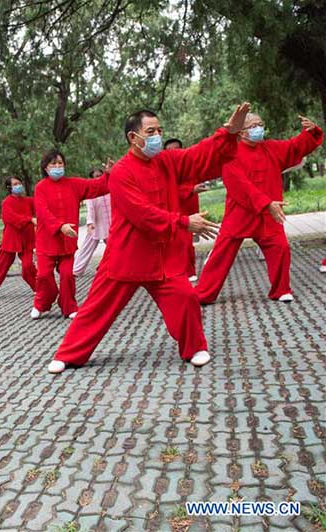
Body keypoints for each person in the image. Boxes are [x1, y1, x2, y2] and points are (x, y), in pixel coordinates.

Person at [47, 103, 251, 374]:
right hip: (126, 256)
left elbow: (198, 156)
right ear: (134, 137)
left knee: (186, 298)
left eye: (159, 130)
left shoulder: (167, 161)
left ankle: (194, 347)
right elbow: (142, 214)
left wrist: (228, 132)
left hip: (162, 257)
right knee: (96, 309)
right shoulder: (120, 172)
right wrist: (184, 222)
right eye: (150, 131)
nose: (157, 135)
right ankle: (69, 353)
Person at [195, 113, 323, 304]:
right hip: (240, 214)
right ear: (242, 133)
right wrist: (266, 203)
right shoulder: (230, 153)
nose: (259, 128)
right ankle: (203, 294)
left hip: (268, 214)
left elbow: (293, 147)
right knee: (220, 255)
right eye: (253, 125)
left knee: (280, 248)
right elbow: (240, 185)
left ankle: (280, 290)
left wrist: (310, 133)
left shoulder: (270, 148)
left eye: (260, 124)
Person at [30, 151, 110, 319]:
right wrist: (60, 226)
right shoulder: (40, 188)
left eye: (60, 164)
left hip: (68, 240)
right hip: (47, 240)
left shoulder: (73, 184)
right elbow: (42, 212)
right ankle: (42, 302)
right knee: (44, 275)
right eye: (54, 164)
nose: (58, 167)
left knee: (67, 275)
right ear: (46, 168)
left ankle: (69, 306)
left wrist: (109, 174)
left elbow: (96, 186)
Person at [0, 177, 37, 301]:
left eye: (19, 183)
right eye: (15, 184)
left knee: (27, 267)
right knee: (1, 267)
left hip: (27, 238)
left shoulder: (29, 201)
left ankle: (39, 288)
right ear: (9, 188)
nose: (18, 186)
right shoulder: (6, 202)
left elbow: (42, 208)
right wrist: (29, 219)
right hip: (11, 239)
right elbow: (11, 218)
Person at [164, 138, 210, 282]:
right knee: (180, 243)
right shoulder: (164, 170)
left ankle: (188, 271)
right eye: (170, 150)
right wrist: (191, 189)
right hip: (173, 211)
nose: (175, 152)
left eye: (177, 149)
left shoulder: (189, 164)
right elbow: (168, 190)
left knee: (186, 243)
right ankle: (182, 271)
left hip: (189, 209)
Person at [72, 168, 112, 277]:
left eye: (100, 175)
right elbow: (90, 208)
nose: (98, 178)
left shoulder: (109, 187)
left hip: (111, 224)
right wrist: (90, 223)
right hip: (96, 224)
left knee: (115, 247)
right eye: (95, 176)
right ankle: (76, 269)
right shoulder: (92, 190)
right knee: (87, 248)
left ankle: (104, 266)